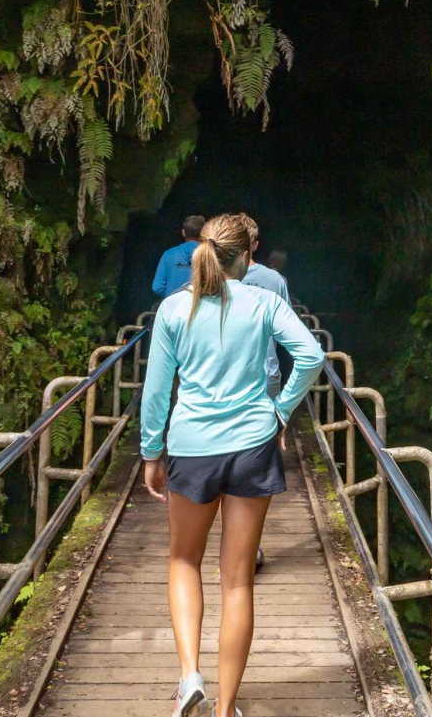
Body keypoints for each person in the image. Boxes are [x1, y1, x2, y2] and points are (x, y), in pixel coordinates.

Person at [140, 214, 324, 717]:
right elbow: (310, 356)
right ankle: (225, 710)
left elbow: (156, 391)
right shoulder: (263, 301)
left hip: (193, 447)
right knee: (238, 579)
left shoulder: (176, 308)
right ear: (247, 257)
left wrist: (151, 452)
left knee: (183, 562)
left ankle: (189, 678)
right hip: (252, 445)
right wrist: (279, 410)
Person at [235, 214, 289, 398]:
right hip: (265, 373)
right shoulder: (276, 280)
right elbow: (287, 330)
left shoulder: (211, 280)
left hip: (220, 379)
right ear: (255, 245)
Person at [153, 215, 205, 299]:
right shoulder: (211, 255)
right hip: (201, 307)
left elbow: (157, 287)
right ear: (203, 233)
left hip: (174, 308)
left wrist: (173, 299)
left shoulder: (168, 254)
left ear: (183, 232)